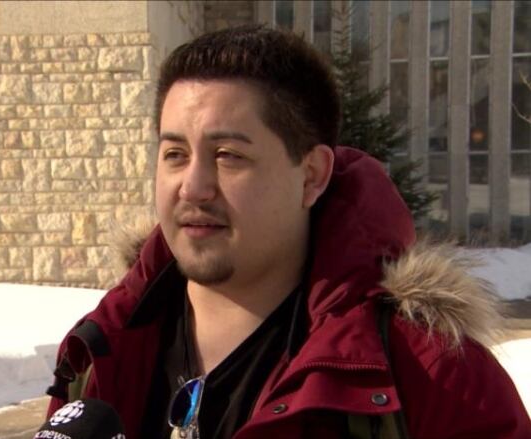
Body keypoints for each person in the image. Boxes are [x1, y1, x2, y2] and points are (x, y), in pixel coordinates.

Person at [45, 26, 531, 439]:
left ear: (312, 175)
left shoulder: (429, 374)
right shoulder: (103, 347)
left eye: (228, 155)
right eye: (175, 154)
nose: (192, 187)